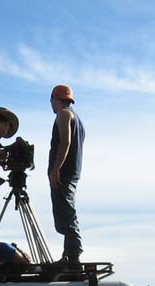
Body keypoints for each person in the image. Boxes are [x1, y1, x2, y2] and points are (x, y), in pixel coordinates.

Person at [47, 84, 86, 267]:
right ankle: (68, 256)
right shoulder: (77, 118)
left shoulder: (64, 114)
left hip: (64, 173)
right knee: (66, 212)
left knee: (67, 215)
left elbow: (66, 141)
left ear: (55, 98)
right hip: (72, 172)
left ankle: (73, 258)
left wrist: (56, 169)